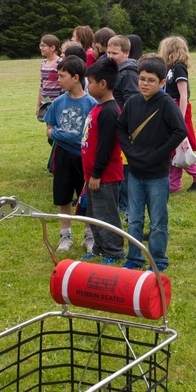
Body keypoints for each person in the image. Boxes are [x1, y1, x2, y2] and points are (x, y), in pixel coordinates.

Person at [116, 56, 188, 271]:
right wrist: (128, 150)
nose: (145, 84)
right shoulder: (133, 102)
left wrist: (159, 154)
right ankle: (134, 257)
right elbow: (120, 128)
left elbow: (180, 130)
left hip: (157, 175)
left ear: (162, 83)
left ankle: (158, 260)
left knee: (157, 222)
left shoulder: (166, 104)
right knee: (134, 219)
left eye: (151, 80)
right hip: (135, 174)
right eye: (142, 79)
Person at [42, 56, 98, 252]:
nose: (58, 80)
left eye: (61, 76)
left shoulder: (91, 103)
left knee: (87, 197)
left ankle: (89, 234)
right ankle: (65, 234)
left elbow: (94, 132)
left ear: (75, 78)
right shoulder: (58, 103)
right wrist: (58, 134)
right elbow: (49, 128)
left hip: (84, 158)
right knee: (63, 195)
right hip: (63, 156)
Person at [81, 58, 125, 264]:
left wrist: (97, 174)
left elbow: (105, 147)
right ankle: (99, 247)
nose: (87, 86)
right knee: (94, 214)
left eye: (90, 82)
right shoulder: (98, 107)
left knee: (107, 215)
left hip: (104, 176)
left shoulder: (109, 111)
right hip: (92, 176)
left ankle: (114, 251)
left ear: (103, 84)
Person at [159, 36, 196, 192]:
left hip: (178, 109)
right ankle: (173, 184)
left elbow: (183, 94)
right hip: (170, 108)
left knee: (180, 145)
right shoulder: (169, 69)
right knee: (174, 149)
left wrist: (179, 117)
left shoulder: (179, 68)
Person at [107, 35, 138, 214]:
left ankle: (126, 208)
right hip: (114, 124)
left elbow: (131, 102)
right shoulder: (115, 70)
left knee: (125, 169)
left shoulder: (128, 73)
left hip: (124, 127)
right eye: (108, 52)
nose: (110, 56)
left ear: (126, 53)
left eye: (115, 53)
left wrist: (123, 122)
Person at [37, 34, 62, 118]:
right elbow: (41, 86)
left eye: (43, 46)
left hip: (58, 103)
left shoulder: (60, 63)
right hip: (45, 103)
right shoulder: (43, 63)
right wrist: (38, 105)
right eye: (40, 45)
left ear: (52, 48)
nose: (41, 48)